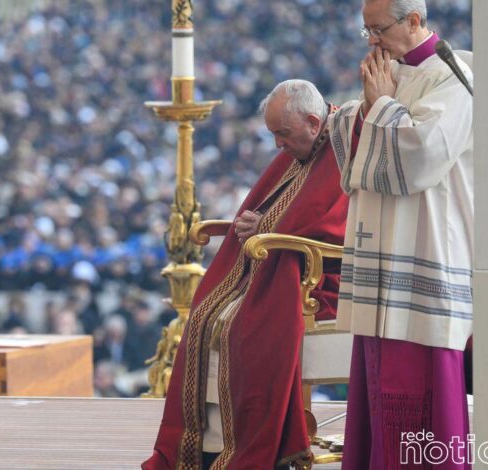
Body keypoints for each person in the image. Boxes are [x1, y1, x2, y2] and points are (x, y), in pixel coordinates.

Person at [143, 80, 349, 470]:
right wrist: (261, 225)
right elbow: (280, 209)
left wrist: (268, 228)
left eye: (282, 134)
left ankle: (247, 448)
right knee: (205, 316)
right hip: (274, 265)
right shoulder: (304, 143)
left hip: (317, 282)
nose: (277, 146)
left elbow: (335, 225)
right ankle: (207, 448)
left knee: (243, 326)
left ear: (311, 121)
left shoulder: (341, 146)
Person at [328, 0, 473, 468]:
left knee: (425, 383)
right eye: (365, 31)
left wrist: (381, 105)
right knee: (378, 374)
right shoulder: (388, 74)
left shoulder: (455, 73)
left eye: (379, 29)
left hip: (427, 248)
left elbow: (422, 155)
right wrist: (368, 107)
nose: (371, 41)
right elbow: (354, 141)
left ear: (414, 21)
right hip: (382, 257)